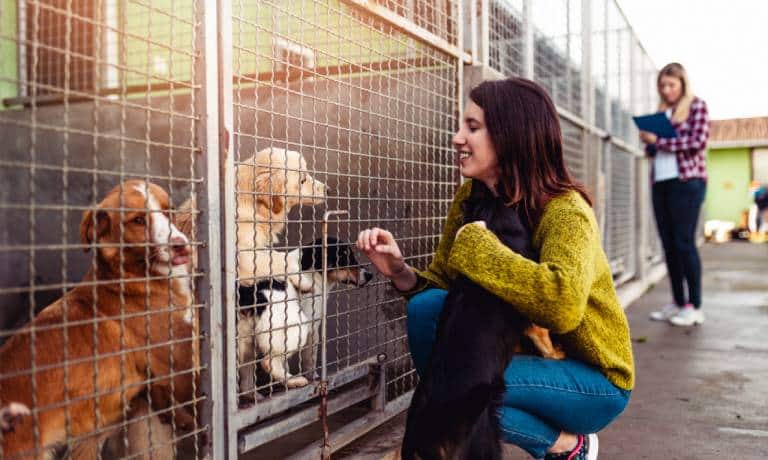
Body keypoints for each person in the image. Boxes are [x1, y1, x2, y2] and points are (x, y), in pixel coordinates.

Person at [357, 78, 633, 460]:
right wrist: (400, 271)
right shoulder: (472, 198)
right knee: (427, 310)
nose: (457, 138)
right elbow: (445, 288)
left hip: (593, 379)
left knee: (469, 395)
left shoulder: (566, 211)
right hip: (523, 356)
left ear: (511, 135)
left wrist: (482, 250)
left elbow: (563, 306)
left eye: (472, 127)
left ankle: (570, 447)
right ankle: (448, 439)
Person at [641, 62, 710, 327]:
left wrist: (658, 141)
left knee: (684, 243)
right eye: (662, 85)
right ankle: (679, 302)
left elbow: (696, 143)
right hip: (661, 183)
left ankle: (695, 306)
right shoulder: (661, 114)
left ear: (682, 84)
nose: (666, 89)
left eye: (671, 84)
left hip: (687, 182)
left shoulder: (697, 107)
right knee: (668, 245)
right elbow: (653, 152)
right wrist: (648, 141)